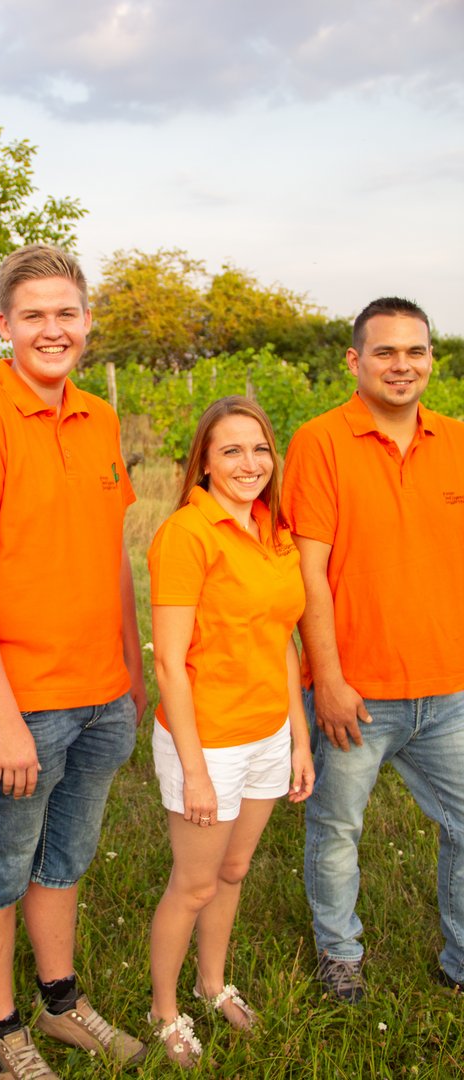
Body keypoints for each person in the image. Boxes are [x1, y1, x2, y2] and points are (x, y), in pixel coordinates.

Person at [0, 243, 147, 1079]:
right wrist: (5, 718)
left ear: (87, 321)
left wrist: (131, 671)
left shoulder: (99, 418)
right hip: (15, 705)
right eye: (33, 316)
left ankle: (60, 1004)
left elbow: (113, 553)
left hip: (100, 695)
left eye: (65, 313)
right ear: (4, 326)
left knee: (65, 861)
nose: (52, 330)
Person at [282, 297, 464, 1003]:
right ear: (355, 360)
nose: (402, 365)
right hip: (356, 689)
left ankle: (460, 961)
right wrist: (327, 679)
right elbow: (309, 573)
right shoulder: (321, 442)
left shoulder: (456, 440)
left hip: (448, 687)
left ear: (431, 359)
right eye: (385, 351)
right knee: (336, 829)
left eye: (415, 351)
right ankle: (340, 954)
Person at [147, 396, 314, 1068]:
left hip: (268, 730)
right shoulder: (187, 534)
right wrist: (194, 771)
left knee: (235, 869)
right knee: (194, 884)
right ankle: (164, 1012)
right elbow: (168, 662)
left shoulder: (274, 530)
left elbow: (282, 639)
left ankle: (211, 984)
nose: (250, 463)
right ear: (205, 463)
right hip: (208, 739)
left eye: (260, 448)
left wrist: (299, 738)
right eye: (232, 451)